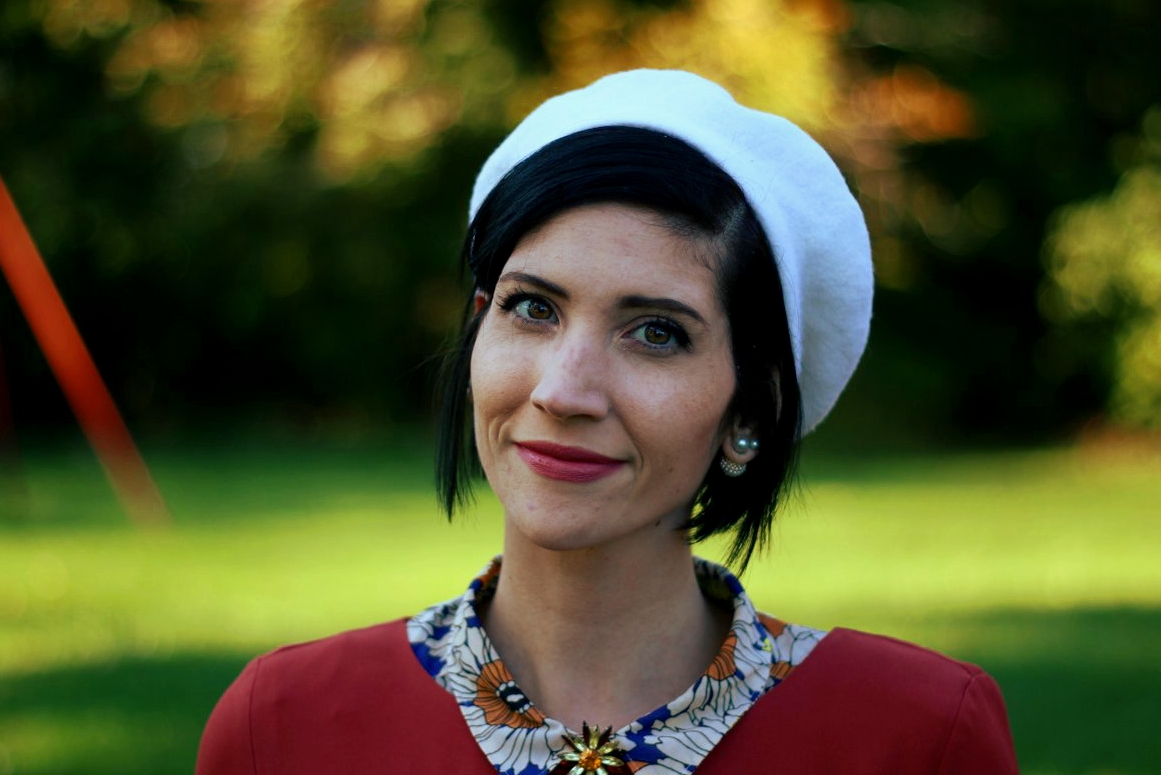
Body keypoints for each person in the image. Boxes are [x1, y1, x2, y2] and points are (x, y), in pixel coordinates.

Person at [196, 70, 1018, 774]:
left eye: (657, 332)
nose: (564, 390)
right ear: (479, 328)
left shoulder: (917, 736)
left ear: (752, 405)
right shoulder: (284, 728)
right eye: (532, 309)